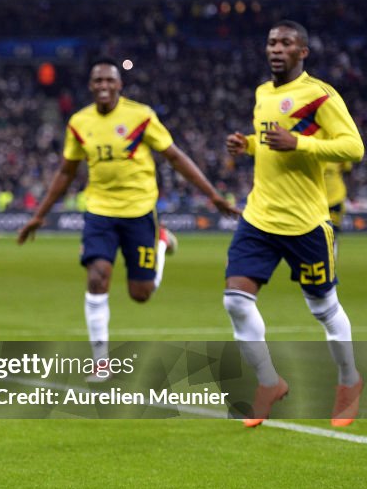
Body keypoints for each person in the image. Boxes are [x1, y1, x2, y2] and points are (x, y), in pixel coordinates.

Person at [17, 58, 239, 378]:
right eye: (98, 81)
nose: (104, 86)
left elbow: (174, 156)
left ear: (120, 85)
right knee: (97, 276)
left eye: (110, 81)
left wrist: (213, 195)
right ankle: (101, 361)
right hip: (100, 212)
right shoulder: (80, 122)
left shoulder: (141, 116)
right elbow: (66, 171)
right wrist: (39, 215)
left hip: (139, 211)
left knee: (141, 294)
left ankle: (161, 242)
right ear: (91, 86)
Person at [224, 20, 365, 428]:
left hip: (305, 223)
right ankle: (269, 383)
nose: (276, 48)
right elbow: (270, 144)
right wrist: (248, 145)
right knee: (235, 300)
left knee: (323, 308)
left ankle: (349, 381)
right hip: (259, 218)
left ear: (303, 52)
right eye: (271, 42)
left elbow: (354, 146)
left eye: (286, 43)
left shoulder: (319, 95)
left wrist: (300, 143)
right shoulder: (263, 93)